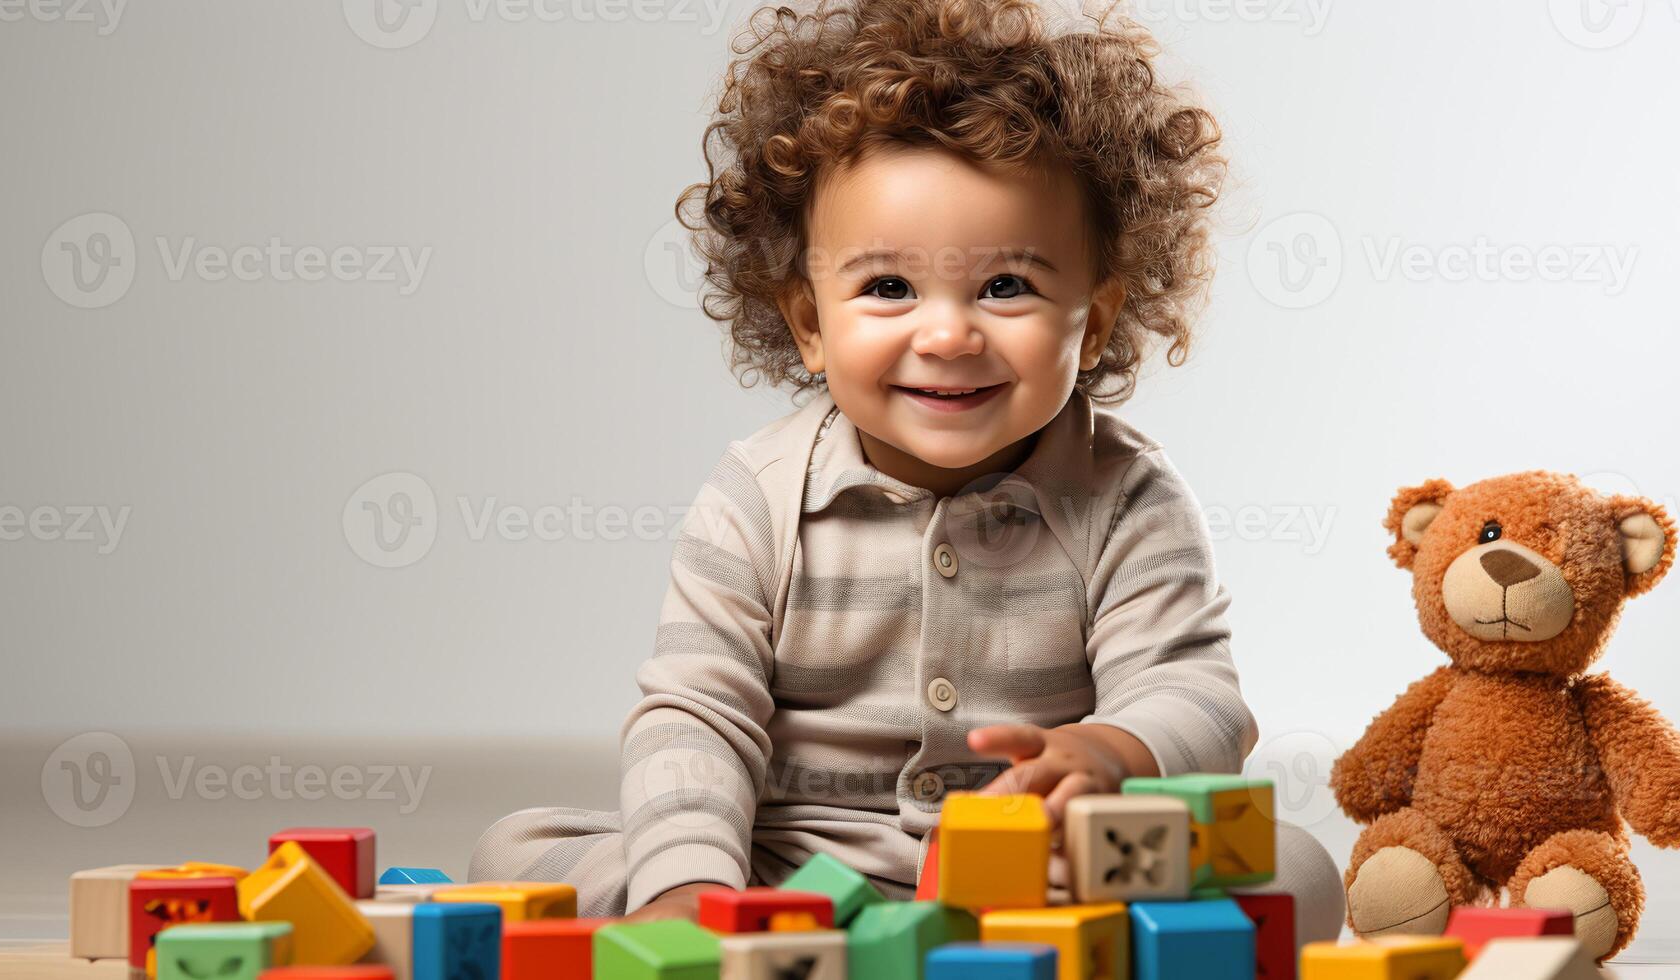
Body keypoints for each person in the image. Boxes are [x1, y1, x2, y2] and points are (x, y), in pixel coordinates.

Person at [470, 0, 1344, 945]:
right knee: (516, 852)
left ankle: (974, 944)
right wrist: (686, 888)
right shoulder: (758, 497)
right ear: (810, 323)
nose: (947, 333)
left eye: (1007, 286)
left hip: (1040, 865)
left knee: (1298, 872)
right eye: (888, 287)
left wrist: (1108, 751)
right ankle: (798, 930)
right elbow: (697, 711)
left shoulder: (1125, 495)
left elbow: (1199, 696)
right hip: (796, 859)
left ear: (1091, 319)